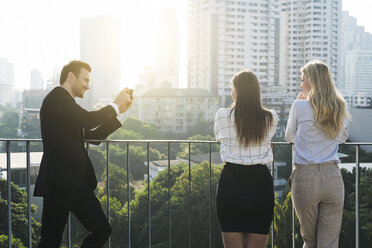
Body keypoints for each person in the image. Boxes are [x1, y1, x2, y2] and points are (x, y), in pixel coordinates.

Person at [33, 60, 133, 248]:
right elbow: (88, 120)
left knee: (102, 230)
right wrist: (114, 104)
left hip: (76, 182)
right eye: (85, 79)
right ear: (71, 77)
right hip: (58, 182)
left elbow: (92, 136)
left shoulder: (67, 106)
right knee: (50, 241)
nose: (88, 85)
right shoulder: (57, 97)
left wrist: (119, 112)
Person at [285, 60, 349, 248]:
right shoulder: (339, 106)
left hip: (306, 176)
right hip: (333, 177)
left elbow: (290, 137)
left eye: (303, 79)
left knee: (310, 240)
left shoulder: (300, 106)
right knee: (329, 242)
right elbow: (342, 138)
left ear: (312, 81)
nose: (300, 84)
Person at [214, 70, 278, 248]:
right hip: (260, 184)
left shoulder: (222, 115)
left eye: (232, 87)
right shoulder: (271, 117)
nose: (230, 92)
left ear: (238, 91)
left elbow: (220, 138)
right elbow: (267, 141)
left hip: (231, 183)